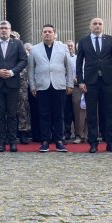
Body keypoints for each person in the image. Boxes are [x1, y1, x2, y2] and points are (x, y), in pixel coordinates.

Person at [76, 18, 112, 153]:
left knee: (109, 112)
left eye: (100, 24)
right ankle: (93, 143)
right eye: (95, 24)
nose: (97, 26)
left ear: (103, 26)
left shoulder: (109, 40)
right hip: (90, 82)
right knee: (91, 114)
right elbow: (79, 64)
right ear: (90, 26)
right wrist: (81, 81)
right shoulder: (83, 41)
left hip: (108, 81)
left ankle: (111, 143)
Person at [28, 24, 74, 152]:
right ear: (41, 34)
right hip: (42, 86)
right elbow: (31, 69)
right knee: (43, 114)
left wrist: (69, 84)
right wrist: (32, 86)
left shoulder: (63, 47)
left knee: (59, 114)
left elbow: (69, 67)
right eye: (45, 32)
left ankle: (59, 140)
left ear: (55, 33)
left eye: (50, 32)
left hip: (59, 85)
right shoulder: (35, 49)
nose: (47, 34)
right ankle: (45, 141)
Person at [0, 20, 27, 152]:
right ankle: (1, 142)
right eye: (1, 28)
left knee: (12, 114)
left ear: (10, 30)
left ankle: (12, 141)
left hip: (12, 83)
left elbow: (23, 60)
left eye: (6, 28)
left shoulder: (18, 44)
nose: (4, 30)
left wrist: (12, 71)